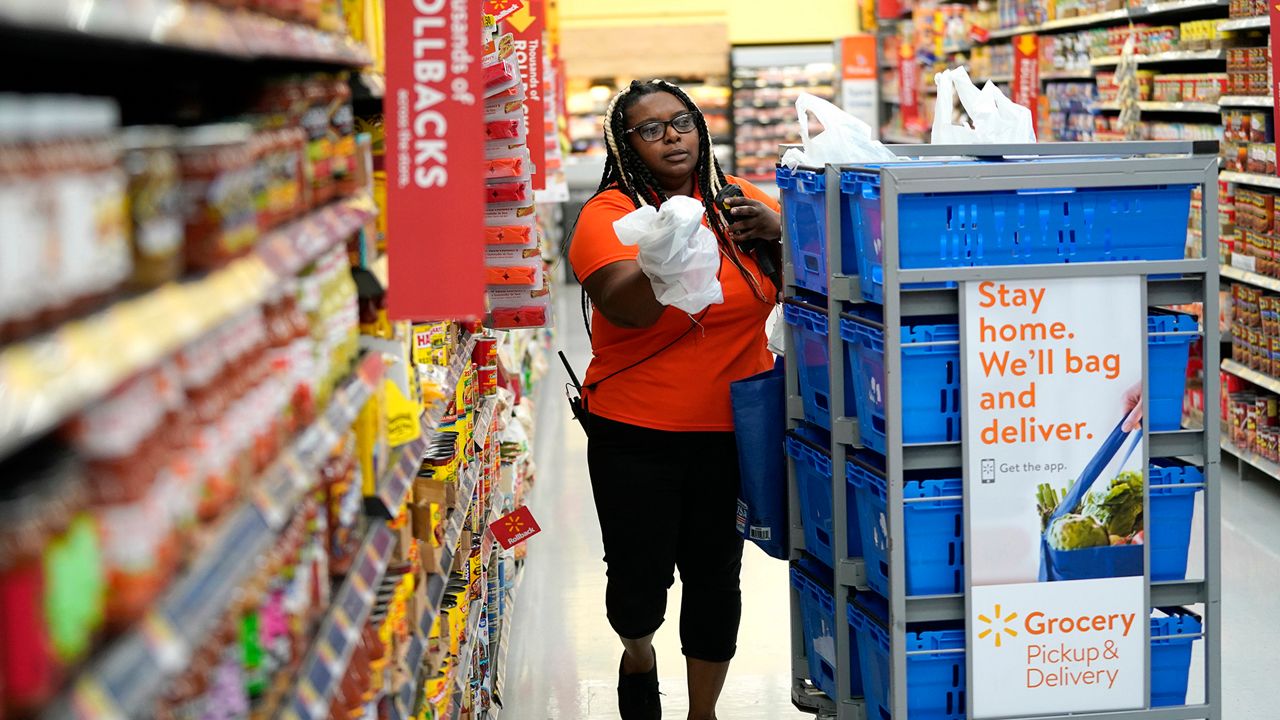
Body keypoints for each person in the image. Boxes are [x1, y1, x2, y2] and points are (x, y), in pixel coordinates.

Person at [567, 78, 783, 720]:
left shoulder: (739, 202)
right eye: (652, 128)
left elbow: (812, 282)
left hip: (734, 431)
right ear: (625, 144)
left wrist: (780, 232)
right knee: (638, 582)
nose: (673, 137)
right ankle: (638, 654)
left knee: (716, 578)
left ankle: (702, 713)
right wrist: (665, 256)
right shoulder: (608, 216)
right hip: (636, 434)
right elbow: (624, 307)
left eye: (682, 122)